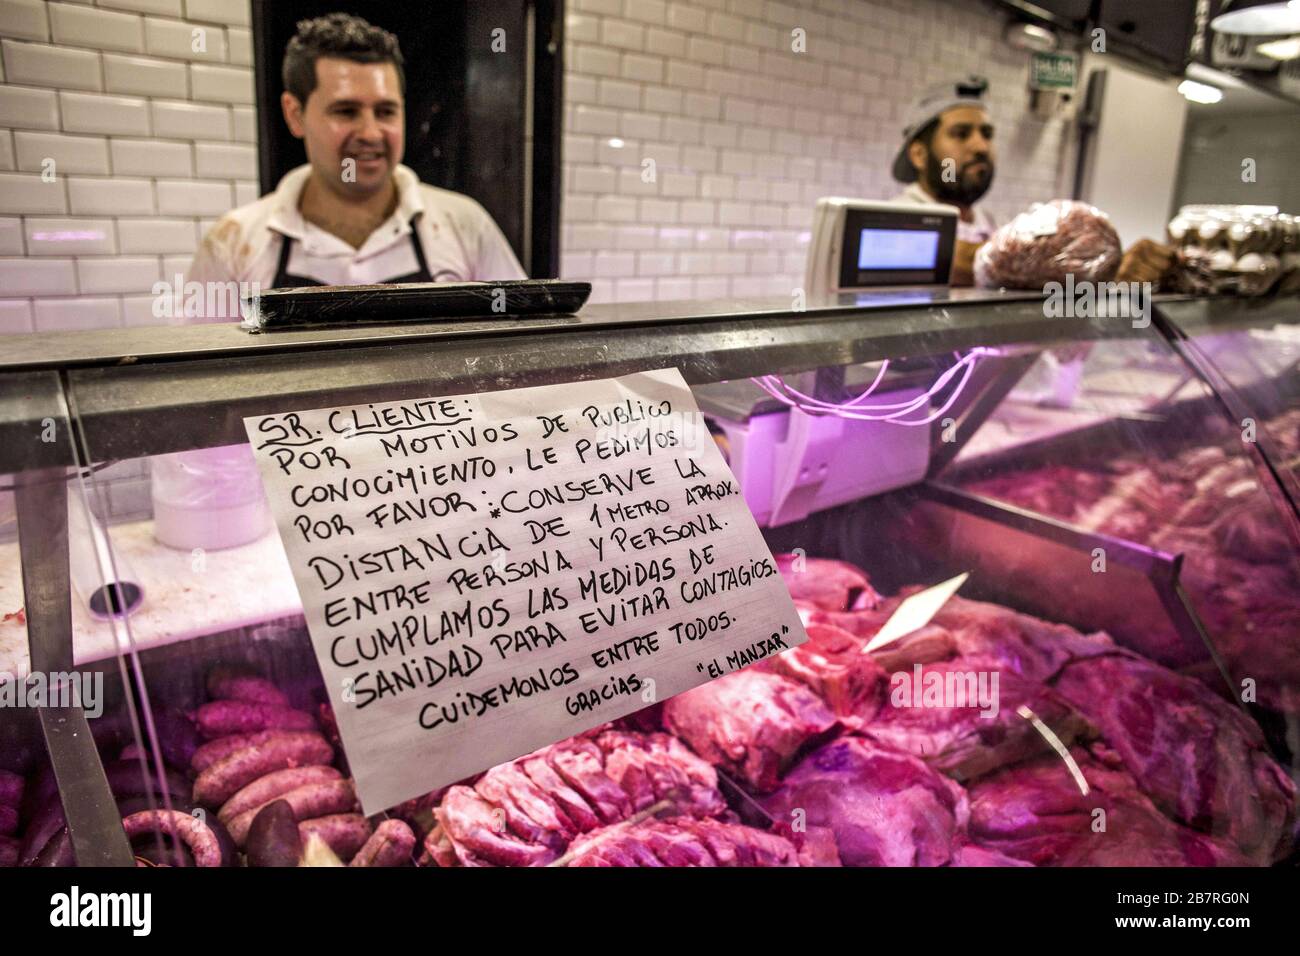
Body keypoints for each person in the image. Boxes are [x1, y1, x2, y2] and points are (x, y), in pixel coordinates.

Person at [183, 13, 524, 323]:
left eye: (386, 111)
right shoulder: (233, 243)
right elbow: (195, 375)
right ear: (295, 114)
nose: (371, 133)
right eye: (346, 111)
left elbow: (523, 349)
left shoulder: (465, 226)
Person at [891, 75, 1172, 288]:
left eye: (987, 134)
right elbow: (954, 259)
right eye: (961, 134)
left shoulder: (991, 225)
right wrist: (1104, 267)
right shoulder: (894, 221)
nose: (980, 146)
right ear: (918, 154)